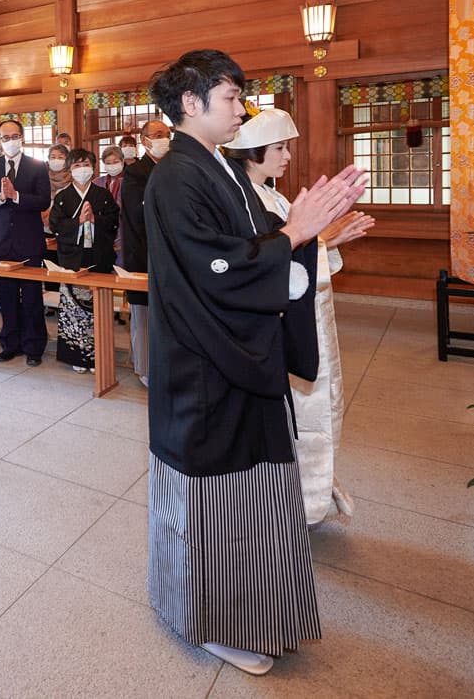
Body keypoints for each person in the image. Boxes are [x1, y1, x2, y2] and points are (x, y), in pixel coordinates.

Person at [144, 49, 366, 675]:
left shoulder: (222, 169)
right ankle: (213, 619)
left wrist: (309, 233)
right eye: (231, 97)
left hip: (240, 348)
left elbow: (248, 249)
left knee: (256, 495)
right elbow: (216, 267)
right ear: (190, 103)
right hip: (205, 362)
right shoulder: (177, 175)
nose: (241, 108)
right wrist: (295, 235)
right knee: (219, 498)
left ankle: (254, 611)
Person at [223, 108, 375, 526]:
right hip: (274, 326)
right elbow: (265, 262)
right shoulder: (242, 200)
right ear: (252, 153)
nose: (287, 155)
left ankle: (310, 492)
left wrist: (325, 241)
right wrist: (317, 241)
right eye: (279, 148)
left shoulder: (274, 196)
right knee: (295, 415)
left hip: (303, 316)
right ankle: (292, 500)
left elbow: (299, 251)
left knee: (313, 409)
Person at [0, 120, 50, 366]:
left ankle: (34, 347)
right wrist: (0, 197)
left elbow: (43, 201)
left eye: (15, 135)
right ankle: (10, 344)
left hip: (29, 240)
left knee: (31, 297)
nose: (11, 141)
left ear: (23, 137)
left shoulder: (37, 166)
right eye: (6, 137)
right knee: (6, 297)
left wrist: (16, 196)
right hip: (0, 242)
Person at [49, 148, 119, 373]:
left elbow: (114, 222)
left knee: (98, 309)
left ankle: (98, 355)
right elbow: (55, 225)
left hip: (98, 256)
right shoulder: (62, 197)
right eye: (77, 165)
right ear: (69, 170)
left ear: (93, 167)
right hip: (72, 258)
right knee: (73, 310)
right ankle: (77, 357)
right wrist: (78, 221)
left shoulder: (103, 195)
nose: (82, 169)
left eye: (85, 164)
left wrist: (94, 219)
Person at [120, 118, 171, 387]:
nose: (164, 138)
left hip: (172, 253)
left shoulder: (175, 166)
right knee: (144, 315)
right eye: (158, 134)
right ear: (145, 140)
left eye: (167, 133)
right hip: (144, 251)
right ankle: (145, 368)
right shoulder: (136, 172)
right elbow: (138, 212)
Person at [93, 144, 125, 267]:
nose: (112, 165)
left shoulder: (130, 181)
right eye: (108, 163)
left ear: (122, 162)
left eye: (115, 162)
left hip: (123, 229)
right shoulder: (97, 182)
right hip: (102, 229)